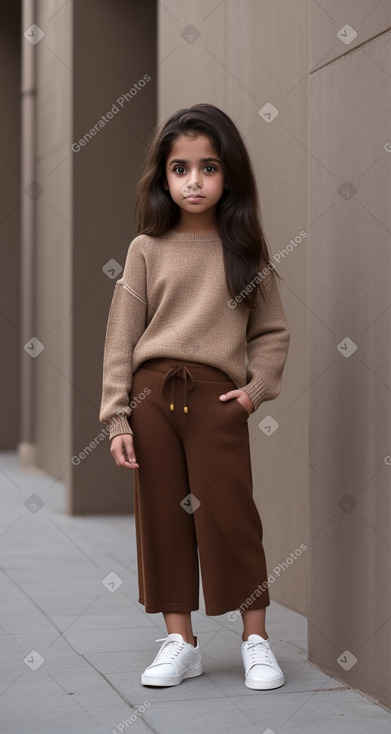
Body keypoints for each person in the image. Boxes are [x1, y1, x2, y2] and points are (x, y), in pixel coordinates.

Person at [99, 103, 290, 691]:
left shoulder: (245, 250)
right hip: (153, 395)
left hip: (217, 398)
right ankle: (180, 641)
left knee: (231, 516)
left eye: (208, 167)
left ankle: (255, 639)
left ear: (228, 173)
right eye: (180, 169)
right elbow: (121, 337)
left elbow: (271, 332)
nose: (194, 180)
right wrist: (118, 418)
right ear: (164, 177)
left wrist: (254, 392)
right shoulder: (145, 249)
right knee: (162, 518)